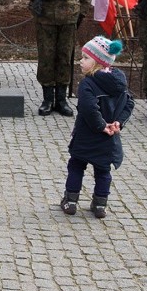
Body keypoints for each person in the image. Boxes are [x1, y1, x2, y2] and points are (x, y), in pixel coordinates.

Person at [60, 36, 134, 219]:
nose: (80, 61)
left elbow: (88, 108)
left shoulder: (89, 83)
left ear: (98, 62)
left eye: (85, 58)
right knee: (103, 171)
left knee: (76, 165)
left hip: (87, 135)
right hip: (109, 137)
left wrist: (101, 126)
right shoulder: (120, 83)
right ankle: (100, 204)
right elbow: (129, 103)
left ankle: (71, 200)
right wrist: (118, 123)